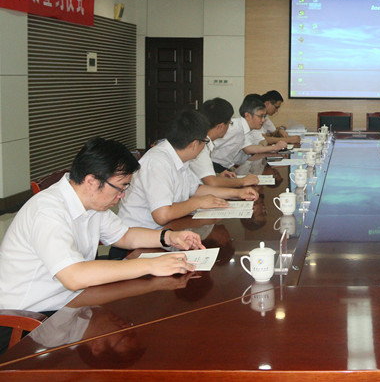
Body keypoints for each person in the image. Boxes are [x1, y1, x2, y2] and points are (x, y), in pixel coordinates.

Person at [0, 137, 203, 351]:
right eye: (120, 188)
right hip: (27, 323)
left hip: (70, 307)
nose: (121, 196)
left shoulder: (90, 203)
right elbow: (74, 276)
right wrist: (150, 264)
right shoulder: (48, 212)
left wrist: (168, 237)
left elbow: (124, 236)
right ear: (91, 181)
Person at [118, 110, 258, 230]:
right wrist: (198, 202)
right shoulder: (157, 162)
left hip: (168, 232)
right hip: (140, 241)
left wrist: (237, 193)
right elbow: (162, 215)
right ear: (194, 144)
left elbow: (196, 189)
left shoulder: (179, 157)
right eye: (205, 141)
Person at [189, 98, 259, 188]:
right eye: (229, 123)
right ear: (220, 127)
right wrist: (242, 181)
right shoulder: (200, 145)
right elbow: (212, 183)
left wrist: (217, 175)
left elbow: (199, 176)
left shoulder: (204, 142)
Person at [210, 94, 287, 171]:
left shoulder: (245, 128)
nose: (263, 120)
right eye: (260, 116)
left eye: (264, 117)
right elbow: (248, 149)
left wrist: (230, 167)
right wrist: (275, 147)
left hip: (224, 166)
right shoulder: (235, 128)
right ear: (247, 116)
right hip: (213, 166)